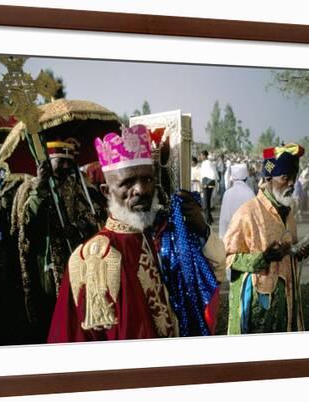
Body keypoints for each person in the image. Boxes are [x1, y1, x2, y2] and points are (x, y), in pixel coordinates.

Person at [48, 125, 226, 342]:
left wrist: (201, 229)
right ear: (106, 191)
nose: (142, 190)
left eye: (147, 179)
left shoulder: (146, 236)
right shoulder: (95, 258)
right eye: (128, 182)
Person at [13, 140, 105, 343]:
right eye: (60, 162)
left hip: (76, 259)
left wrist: (78, 227)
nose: (65, 167)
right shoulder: (31, 188)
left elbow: (96, 215)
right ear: (46, 163)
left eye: (68, 162)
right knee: (49, 309)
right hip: (46, 264)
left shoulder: (80, 186)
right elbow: (27, 225)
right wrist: (41, 190)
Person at [223, 144, 309, 334]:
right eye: (285, 177)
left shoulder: (288, 213)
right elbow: (227, 256)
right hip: (258, 308)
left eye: (293, 177)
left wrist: (298, 252)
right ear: (269, 178)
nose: (291, 183)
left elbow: (291, 248)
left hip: (286, 302)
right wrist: (264, 258)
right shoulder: (248, 213)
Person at [218, 163, 255, 239]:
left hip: (230, 236)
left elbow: (223, 218)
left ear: (233, 178)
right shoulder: (250, 193)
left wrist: (222, 237)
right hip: (246, 237)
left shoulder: (227, 193)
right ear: (246, 178)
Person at [199, 150, 217, 224]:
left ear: (204, 156)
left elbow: (213, 175)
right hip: (205, 184)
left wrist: (206, 183)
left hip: (208, 185)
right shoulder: (204, 163)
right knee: (207, 202)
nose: (200, 157)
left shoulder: (208, 163)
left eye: (201, 155)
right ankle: (209, 218)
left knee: (206, 203)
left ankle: (207, 220)